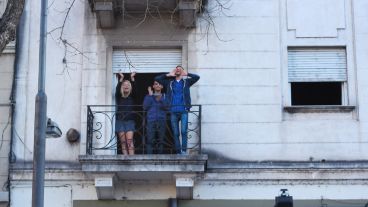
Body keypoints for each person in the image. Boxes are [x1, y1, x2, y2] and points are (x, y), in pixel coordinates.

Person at [155, 65, 200, 154]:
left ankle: (183, 151)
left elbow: (197, 77)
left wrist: (187, 74)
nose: (178, 70)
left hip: (183, 110)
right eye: (176, 69)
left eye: (180, 69)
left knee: (183, 131)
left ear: (182, 72)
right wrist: (168, 74)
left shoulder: (186, 82)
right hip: (173, 111)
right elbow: (157, 78)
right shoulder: (170, 83)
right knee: (175, 133)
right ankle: (178, 152)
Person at [143, 81, 168, 154]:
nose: (157, 85)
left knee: (161, 141)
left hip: (162, 120)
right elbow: (145, 107)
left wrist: (160, 98)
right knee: (150, 140)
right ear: (153, 86)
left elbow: (167, 107)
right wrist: (151, 96)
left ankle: (160, 158)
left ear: (162, 87)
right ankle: (149, 158)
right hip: (151, 120)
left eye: (159, 84)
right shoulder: (148, 96)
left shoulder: (164, 96)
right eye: (156, 84)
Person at [115, 72, 136, 155]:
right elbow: (117, 90)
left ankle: (132, 159)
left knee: (129, 141)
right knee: (123, 142)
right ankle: (126, 159)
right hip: (120, 121)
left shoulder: (132, 96)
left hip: (130, 121)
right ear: (122, 87)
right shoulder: (119, 96)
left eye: (128, 84)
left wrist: (132, 78)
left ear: (130, 87)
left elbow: (136, 89)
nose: (126, 86)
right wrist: (121, 78)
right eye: (124, 84)